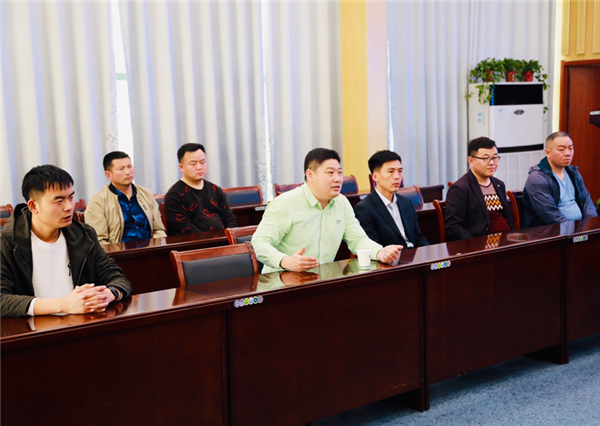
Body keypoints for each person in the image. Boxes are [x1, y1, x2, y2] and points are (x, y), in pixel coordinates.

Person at [1, 165, 132, 317]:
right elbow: (2, 300)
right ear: (33, 206)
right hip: (31, 327)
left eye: (71, 197)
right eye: (59, 201)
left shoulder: (84, 235)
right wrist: (64, 305)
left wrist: (108, 294)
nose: (69, 207)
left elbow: (117, 278)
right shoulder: (7, 243)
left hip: (79, 322)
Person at [251, 147, 403, 274]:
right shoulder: (285, 203)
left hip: (321, 280)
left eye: (340, 173)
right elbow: (259, 243)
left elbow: (357, 240)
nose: (338, 179)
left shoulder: (342, 203)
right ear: (310, 175)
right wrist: (285, 261)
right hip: (282, 280)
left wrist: (380, 252)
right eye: (330, 173)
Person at [85, 151, 166, 244]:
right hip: (118, 252)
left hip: (151, 250)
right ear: (108, 174)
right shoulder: (98, 201)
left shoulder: (146, 194)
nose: (128, 172)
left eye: (129, 166)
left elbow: (159, 230)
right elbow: (99, 241)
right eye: (121, 169)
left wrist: (156, 247)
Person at [354, 150, 429, 248]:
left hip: (413, 254)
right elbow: (373, 246)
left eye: (400, 171)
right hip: (391, 256)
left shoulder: (406, 202)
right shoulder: (364, 209)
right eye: (391, 171)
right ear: (375, 177)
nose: (397, 177)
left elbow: (418, 237)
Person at [522, 131, 597, 228]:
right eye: (561, 149)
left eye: (571, 148)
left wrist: (591, 226)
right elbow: (550, 214)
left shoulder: (573, 173)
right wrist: (575, 231)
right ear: (548, 153)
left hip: (578, 228)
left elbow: (587, 202)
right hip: (551, 232)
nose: (568, 153)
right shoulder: (537, 178)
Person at [445, 137, 513, 242]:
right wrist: (475, 245)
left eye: (495, 158)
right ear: (471, 161)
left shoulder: (499, 184)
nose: (492, 163)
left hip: (506, 242)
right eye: (486, 158)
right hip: (480, 245)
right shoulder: (460, 188)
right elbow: (453, 227)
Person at [164, 143, 237, 235]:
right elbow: (184, 228)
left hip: (224, 240)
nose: (199, 167)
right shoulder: (174, 195)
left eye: (202, 162)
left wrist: (231, 236)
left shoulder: (215, 190)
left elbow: (230, 219)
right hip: (196, 242)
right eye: (193, 164)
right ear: (181, 167)